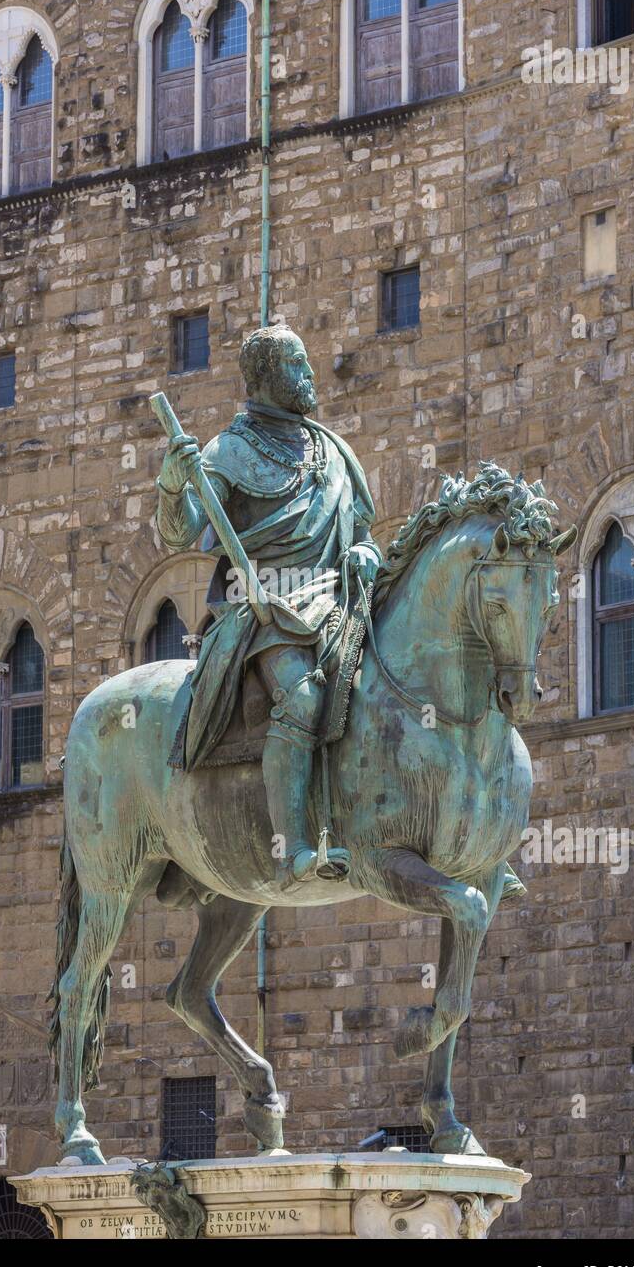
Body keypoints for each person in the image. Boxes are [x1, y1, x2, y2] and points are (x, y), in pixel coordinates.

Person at [156, 325, 380, 887]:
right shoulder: (228, 452)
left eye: (307, 365)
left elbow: (362, 532)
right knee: (302, 699)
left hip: (336, 596)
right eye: (297, 365)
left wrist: (366, 553)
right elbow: (180, 531)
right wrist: (170, 485)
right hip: (263, 608)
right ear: (263, 377)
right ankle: (296, 848)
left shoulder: (333, 451)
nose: (310, 376)